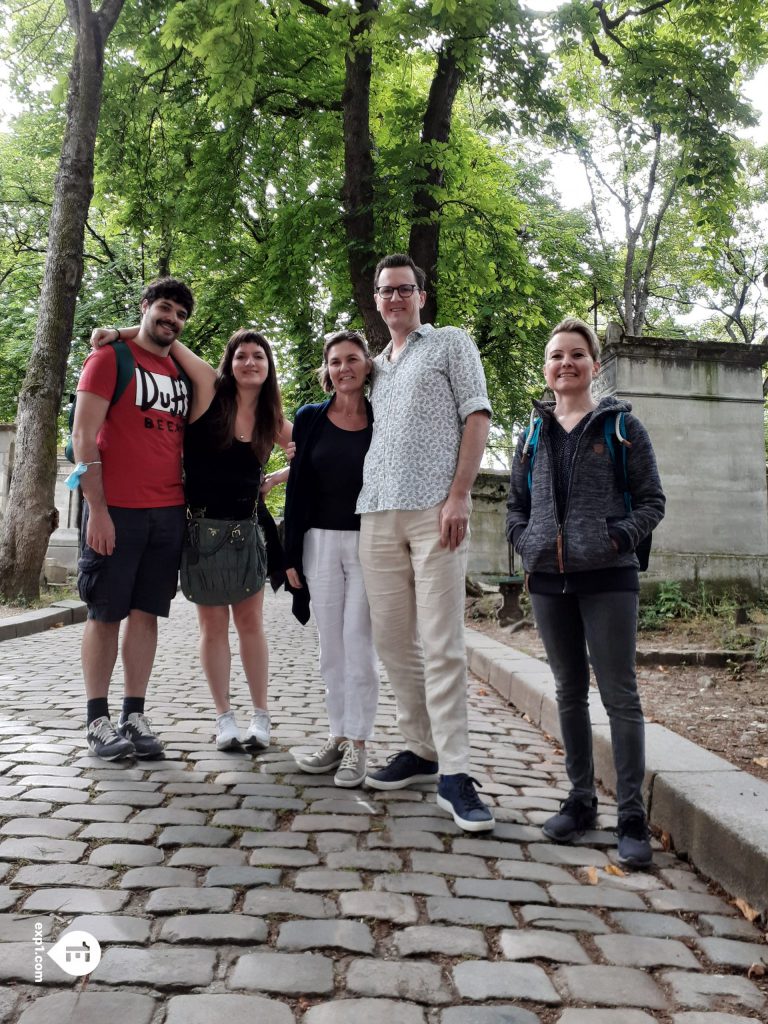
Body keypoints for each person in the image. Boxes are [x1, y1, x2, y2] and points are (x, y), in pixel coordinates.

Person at [505, 317, 665, 868]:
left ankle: (630, 815)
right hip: (549, 579)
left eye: (576, 354)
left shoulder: (623, 428)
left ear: (594, 365)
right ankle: (579, 800)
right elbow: (516, 506)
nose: (566, 363)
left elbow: (652, 500)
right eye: (556, 356)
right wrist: (525, 543)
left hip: (609, 578)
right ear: (546, 369)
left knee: (620, 694)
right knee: (568, 689)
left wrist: (614, 537)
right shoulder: (530, 433)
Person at [91, 323, 292, 753]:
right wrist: (119, 332)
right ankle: (224, 720)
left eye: (258, 356)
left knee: (251, 624)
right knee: (213, 627)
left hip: (247, 530)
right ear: (229, 363)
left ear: (268, 365)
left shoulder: (271, 416)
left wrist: (276, 477)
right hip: (201, 531)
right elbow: (167, 335)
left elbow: (315, 450)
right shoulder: (208, 389)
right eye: (241, 355)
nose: (250, 362)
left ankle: (261, 716)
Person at [357, 253, 495, 833]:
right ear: (377, 299)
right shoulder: (375, 368)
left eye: (404, 289)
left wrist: (459, 495)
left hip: (434, 513)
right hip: (376, 515)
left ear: (421, 295)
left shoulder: (449, 344)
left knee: (442, 643)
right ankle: (419, 747)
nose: (394, 298)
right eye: (385, 291)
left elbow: (477, 414)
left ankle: (456, 773)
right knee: (392, 643)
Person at [73, 277, 195, 761]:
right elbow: (84, 438)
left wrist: (123, 329)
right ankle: (97, 720)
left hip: (167, 512)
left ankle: (134, 713)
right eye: (164, 308)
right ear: (145, 307)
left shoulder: (180, 373)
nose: (172, 319)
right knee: (105, 613)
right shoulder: (108, 359)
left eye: (181, 315)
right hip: (115, 510)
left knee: (147, 614)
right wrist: (97, 511)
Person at [284, 331, 378, 788]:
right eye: (336, 361)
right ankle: (337, 735)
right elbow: (299, 482)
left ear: (366, 365)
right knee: (330, 650)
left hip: (368, 542)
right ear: (328, 370)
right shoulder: (309, 419)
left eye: (353, 359)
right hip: (318, 541)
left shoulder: (383, 419)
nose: (345, 368)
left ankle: (359, 745)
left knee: (359, 644)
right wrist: (289, 553)